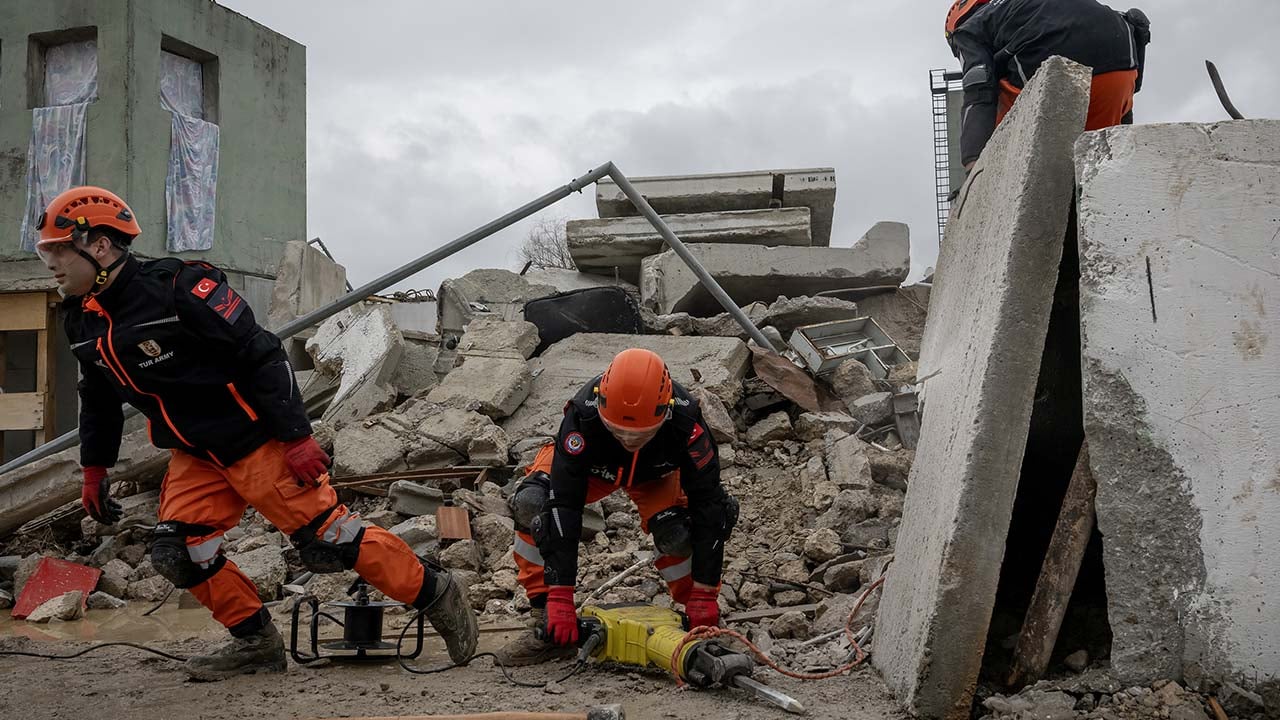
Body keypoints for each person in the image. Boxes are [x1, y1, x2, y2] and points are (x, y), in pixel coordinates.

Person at [36, 186, 477, 680]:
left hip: (256, 440)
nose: (50, 264)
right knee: (180, 553)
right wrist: (94, 469)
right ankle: (255, 644)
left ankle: (435, 591)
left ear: (98, 246)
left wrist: (296, 436)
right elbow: (96, 397)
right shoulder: (81, 319)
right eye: (45, 252)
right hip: (195, 453)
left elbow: (262, 354)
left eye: (56, 251)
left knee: (331, 538)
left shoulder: (180, 289)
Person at [497, 348, 739, 665]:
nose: (627, 439)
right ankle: (546, 619)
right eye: (617, 431)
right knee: (534, 505)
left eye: (639, 434)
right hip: (593, 469)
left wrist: (705, 593)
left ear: (665, 413)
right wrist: (559, 596)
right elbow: (564, 506)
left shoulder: (687, 424)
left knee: (678, 534)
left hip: (655, 474)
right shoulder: (582, 416)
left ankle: (699, 619)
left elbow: (709, 507)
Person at [945, 0, 1151, 169]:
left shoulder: (967, 31)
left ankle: (1001, 176)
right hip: (1122, 69)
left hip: (1057, 72)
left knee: (992, 92)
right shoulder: (1020, 10)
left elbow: (978, 85)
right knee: (1091, 160)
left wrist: (972, 165)